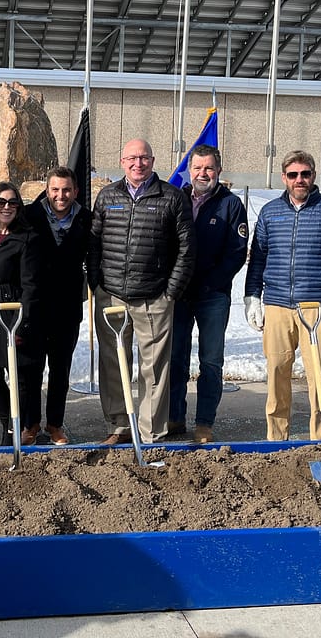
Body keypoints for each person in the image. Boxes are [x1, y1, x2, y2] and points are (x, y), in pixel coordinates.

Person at [244, 150, 321, 441]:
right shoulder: (270, 212)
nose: (300, 180)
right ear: (284, 177)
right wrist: (251, 296)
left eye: (305, 174)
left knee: (320, 378)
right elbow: (258, 258)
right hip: (277, 305)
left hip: (319, 307)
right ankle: (276, 439)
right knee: (276, 375)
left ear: (313, 176)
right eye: (293, 175)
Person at [88, 138, 194, 444]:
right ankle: (119, 426)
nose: (138, 163)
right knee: (114, 365)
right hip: (112, 297)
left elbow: (187, 249)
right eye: (132, 158)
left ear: (153, 160)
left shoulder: (172, 197)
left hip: (155, 298)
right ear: (122, 161)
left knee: (155, 370)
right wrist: (97, 282)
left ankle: (150, 433)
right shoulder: (108, 197)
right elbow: (94, 243)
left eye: (144, 158)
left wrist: (170, 292)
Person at [168, 145, 248, 444]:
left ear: (218, 170)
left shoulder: (231, 205)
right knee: (175, 359)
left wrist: (209, 284)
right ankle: (175, 417)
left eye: (209, 168)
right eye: (198, 168)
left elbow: (236, 253)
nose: (203, 174)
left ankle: (204, 422)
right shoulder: (176, 199)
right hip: (179, 294)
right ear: (190, 170)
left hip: (213, 296)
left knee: (211, 362)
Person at [23, 166, 91, 445]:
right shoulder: (29, 216)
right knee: (31, 369)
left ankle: (55, 425)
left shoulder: (87, 219)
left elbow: (95, 256)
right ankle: (31, 424)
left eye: (66, 190)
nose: (60, 195)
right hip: (36, 306)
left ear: (75, 191)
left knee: (60, 370)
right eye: (55, 189)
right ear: (47, 189)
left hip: (67, 306)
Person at [0, 182, 44, 446]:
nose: (6, 207)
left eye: (12, 203)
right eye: (1, 202)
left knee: (20, 377)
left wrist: (22, 325)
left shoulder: (27, 238)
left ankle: (17, 428)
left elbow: (31, 286)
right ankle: (9, 425)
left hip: (12, 313)